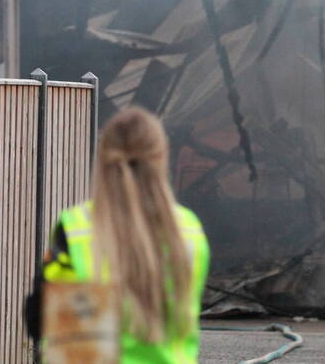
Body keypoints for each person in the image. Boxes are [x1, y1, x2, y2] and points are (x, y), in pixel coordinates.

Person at [26, 106, 210, 363]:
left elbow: (40, 320)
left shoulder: (77, 227)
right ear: (161, 157)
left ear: (102, 159)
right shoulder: (188, 229)